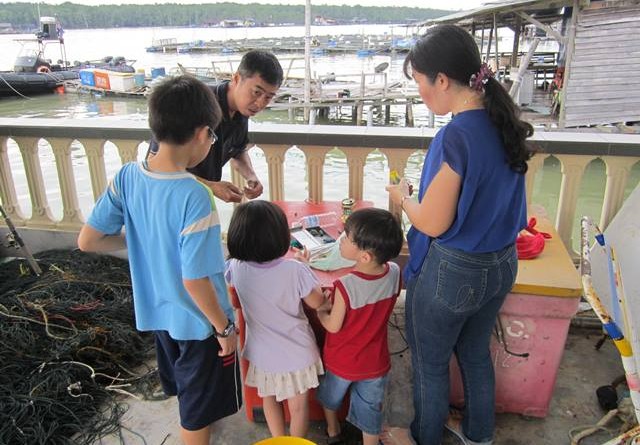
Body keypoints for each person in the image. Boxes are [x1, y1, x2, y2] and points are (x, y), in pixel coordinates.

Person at [384, 25, 534, 445]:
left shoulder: (456, 135)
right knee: (474, 353)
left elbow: (432, 223)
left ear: (442, 80)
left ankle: (423, 437)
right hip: (501, 263)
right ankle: (478, 436)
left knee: (430, 364)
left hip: (455, 271)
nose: (420, 92)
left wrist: (402, 197)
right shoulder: (502, 123)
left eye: (419, 82)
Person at [77, 75, 241, 445]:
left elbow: (88, 240)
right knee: (196, 415)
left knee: (188, 394)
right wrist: (224, 329)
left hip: (158, 316)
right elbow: (195, 279)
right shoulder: (194, 196)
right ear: (202, 134)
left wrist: (139, 240)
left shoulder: (127, 176)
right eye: (213, 137)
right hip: (200, 326)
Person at [225, 200, 326, 439]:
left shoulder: (234, 267)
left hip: (262, 354)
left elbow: (230, 294)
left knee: (269, 400)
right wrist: (306, 266)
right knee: (298, 408)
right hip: (297, 353)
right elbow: (317, 302)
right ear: (280, 237)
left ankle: (277, 440)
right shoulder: (295, 270)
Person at [315, 208, 404, 445]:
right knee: (370, 410)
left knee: (330, 397)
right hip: (375, 362)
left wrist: (321, 311)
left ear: (364, 257)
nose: (341, 240)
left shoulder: (345, 286)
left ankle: (333, 430)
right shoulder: (394, 273)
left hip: (342, 360)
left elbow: (333, 326)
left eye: (347, 238)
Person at [148, 49, 284, 203]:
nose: (260, 104)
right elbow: (157, 163)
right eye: (256, 92)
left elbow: (237, 150)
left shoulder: (242, 111)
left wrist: (251, 176)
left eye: (268, 97)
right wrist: (211, 186)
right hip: (167, 198)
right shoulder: (198, 102)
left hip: (197, 198)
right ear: (236, 78)